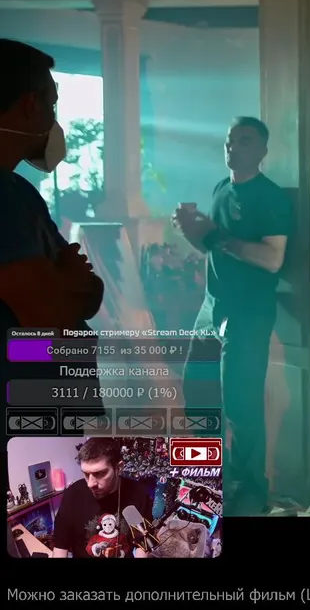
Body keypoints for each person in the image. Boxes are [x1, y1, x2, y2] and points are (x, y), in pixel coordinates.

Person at [173, 117, 292, 516]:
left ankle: (248, 493)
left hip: (248, 314)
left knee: (241, 407)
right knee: (197, 393)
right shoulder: (221, 188)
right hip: (212, 308)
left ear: (262, 150)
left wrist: (216, 236)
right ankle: (208, 480)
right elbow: (214, 248)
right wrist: (192, 232)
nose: (233, 147)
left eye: (244, 141)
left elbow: (273, 259)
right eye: (230, 140)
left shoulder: (270, 197)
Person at [0, 39, 104, 404]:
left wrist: (62, 283)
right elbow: (49, 321)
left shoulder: (20, 192)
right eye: (52, 104)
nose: (54, 119)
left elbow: (91, 294)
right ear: (31, 105)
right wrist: (66, 282)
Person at [52, 437, 153, 558]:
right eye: (86, 474)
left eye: (99, 473)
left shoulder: (136, 494)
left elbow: (143, 543)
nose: (90, 484)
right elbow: (60, 546)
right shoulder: (74, 495)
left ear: (119, 468)